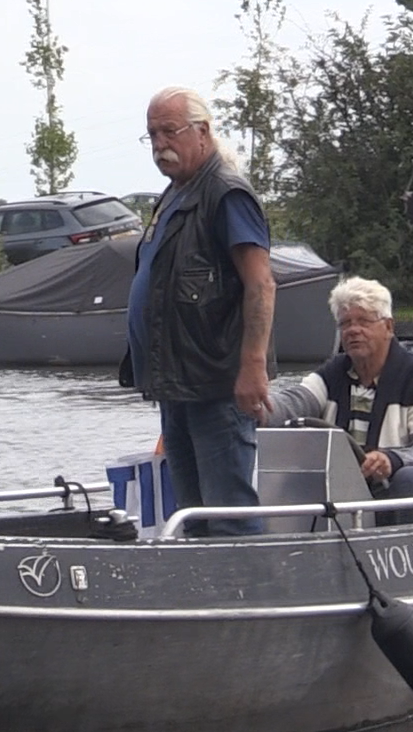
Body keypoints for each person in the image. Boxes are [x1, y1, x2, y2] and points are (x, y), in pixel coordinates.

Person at [120, 86, 277, 536]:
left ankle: (247, 600)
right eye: (151, 134)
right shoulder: (172, 196)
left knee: (228, 511)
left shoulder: (226, 193)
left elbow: (261, 284)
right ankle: (206, 599)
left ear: (203, 132)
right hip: (177, 384)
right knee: (191, 512)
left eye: (170, 131)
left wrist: (251, 369)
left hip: (217, 384)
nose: (159, 145)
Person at [268, 276, 413, 524]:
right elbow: (294, 401)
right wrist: (256, 408)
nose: (353, 330)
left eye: (364, 321)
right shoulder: (333, 373)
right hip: (356, 489)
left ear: (389, 327)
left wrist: (392, 459)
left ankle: (411, 555)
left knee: (410, 479)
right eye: (345, 323)